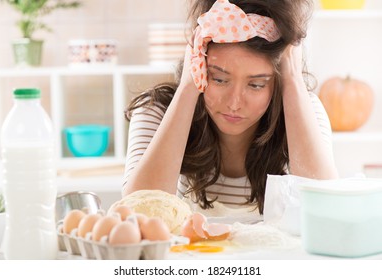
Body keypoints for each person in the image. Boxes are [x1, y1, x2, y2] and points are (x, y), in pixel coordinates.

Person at [122, 0, 338, 218]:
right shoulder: (157, 111)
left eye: (256, 85)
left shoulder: (302, 108)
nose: (234, 103)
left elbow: (327, 211)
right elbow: (136, 213)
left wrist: (292, 81)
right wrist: (188, 87)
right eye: (219, 79)